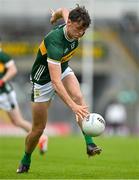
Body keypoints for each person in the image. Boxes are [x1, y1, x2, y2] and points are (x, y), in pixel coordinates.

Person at [17, 5, 102, 173]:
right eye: (78, 29)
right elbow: (55, 83)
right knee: (38, 129)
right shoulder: (55, 41)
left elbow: (64, 10)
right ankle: (26, 159)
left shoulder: (73, 24)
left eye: (84, 30)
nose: (80, 33)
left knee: (79, 96)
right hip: (42, 81)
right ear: (69, 23)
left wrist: (54, 17)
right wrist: (73, 107)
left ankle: (89, 143)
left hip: (61, 68)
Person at [0, 37, 47, 154]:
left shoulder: (2, 56)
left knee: (18, 121)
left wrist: (2, 81)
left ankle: (41, 137)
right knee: (18, 121)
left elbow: (13, 70)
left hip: (4, 94)